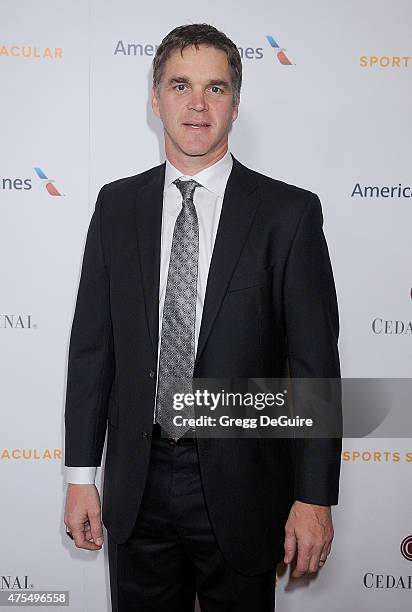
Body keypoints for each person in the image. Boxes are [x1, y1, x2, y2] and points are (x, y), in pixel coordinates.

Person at [64, 23, 342, 612]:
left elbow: (314, 366)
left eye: (215, 89)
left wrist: (314, 498)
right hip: (138, 487)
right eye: (180, 85)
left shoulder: (288, 215)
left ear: (235, 104)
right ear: (154, 98)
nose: (196, 103)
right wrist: (79, 477)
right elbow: (93, 352)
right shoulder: (116, 207)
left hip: (246, 488)